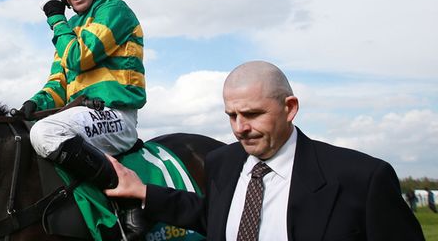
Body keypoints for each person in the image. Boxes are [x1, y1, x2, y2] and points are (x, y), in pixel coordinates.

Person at [106, 60, 425, 241]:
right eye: (232, 115)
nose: (239, 128)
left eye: (253, 114)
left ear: (290, 108)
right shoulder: (222, 162)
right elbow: (210, 216)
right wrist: (144, 191)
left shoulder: (363, 179)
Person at [15, 0, 146, 238]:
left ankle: (127, 197)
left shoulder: (113, 9)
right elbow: (58, 83)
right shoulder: (70, 28)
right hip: (83, 118)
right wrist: (34, 104)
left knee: (45, 133)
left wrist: (55, 20)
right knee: (23, 134)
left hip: (116, 117)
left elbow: (79, 56)